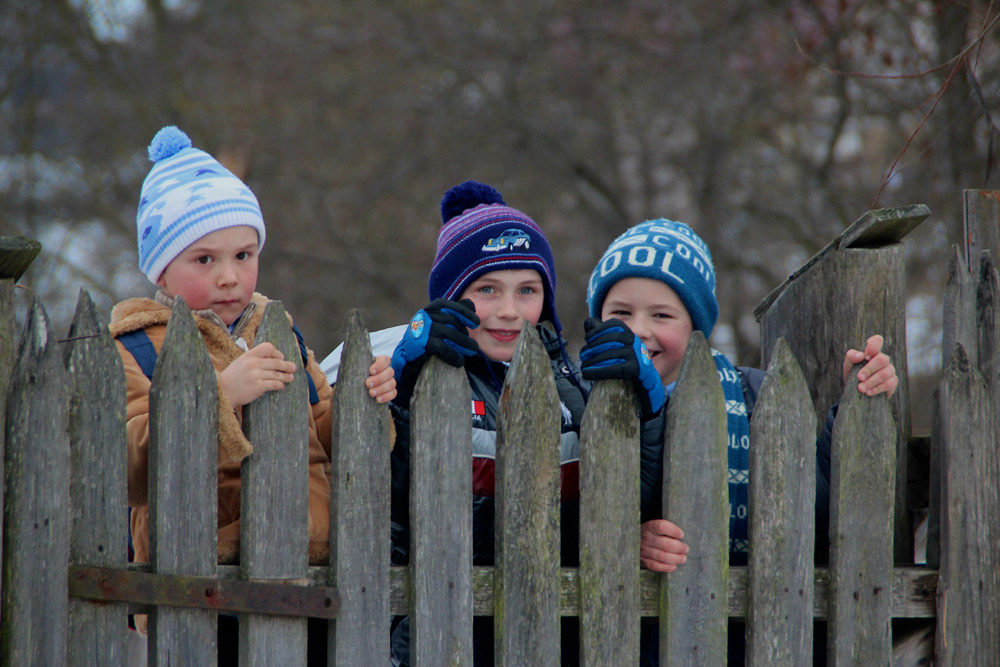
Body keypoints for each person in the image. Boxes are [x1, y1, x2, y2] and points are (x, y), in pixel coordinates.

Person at [109, 126, 395, 663]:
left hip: (314, 570)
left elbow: (328, 436)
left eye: (243, 254)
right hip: (203, 583)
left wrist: (367, 403)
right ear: (162, 273)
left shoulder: (278, 331)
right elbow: (128, 467)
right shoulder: (138, 347)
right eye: (203, 259)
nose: (228, 277)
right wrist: (219, 394)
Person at [579, 218, 898, 665]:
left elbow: (815, 506)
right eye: (621, 313)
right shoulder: (578, 402)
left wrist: (855, 406)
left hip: (752, 635)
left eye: (661, 314)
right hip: (627, 640)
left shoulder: (754, 396)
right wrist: (621, 540)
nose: (639, 330)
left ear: (696, 324)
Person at [387, 181, 600, 667]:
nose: (509, 311)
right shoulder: (425, 378)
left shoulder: (575, 390)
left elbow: (620, 501)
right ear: (452, 298)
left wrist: (646, 413)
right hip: (439, 630)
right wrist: (402, 391)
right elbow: (386, 503)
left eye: (527, 290)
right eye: (487, 289)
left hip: (559, 631)